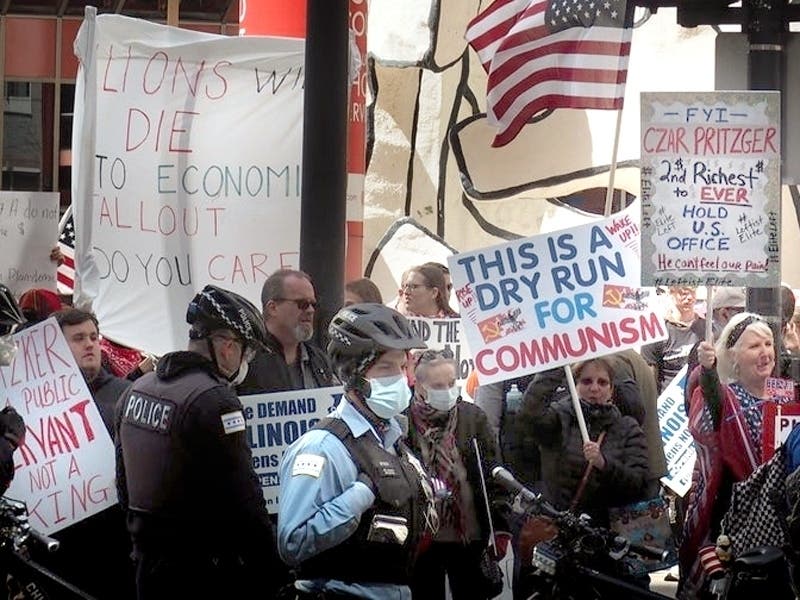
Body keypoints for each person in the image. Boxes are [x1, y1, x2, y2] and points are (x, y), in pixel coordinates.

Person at [115, 285, 281, 600]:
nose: (247, 362)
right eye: (248, 352)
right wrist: (273, 571)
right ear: (229, 346)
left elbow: (124, 488)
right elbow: (244, 499)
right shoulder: (215, 399)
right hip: (202, 575)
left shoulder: (135, 389)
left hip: (146, 567)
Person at [277, 303, 438, 599]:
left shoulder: (393, 440)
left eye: (403, 367)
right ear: (353, 375)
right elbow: (293, 543)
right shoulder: (322, 447)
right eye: (386, 368)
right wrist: (362, 492)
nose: (401, 379)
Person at [514, 358, 648, 598]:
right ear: (574, 385)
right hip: (559, 535)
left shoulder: (627, 427)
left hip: (604, 542)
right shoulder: (559, 418)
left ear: (611, 390)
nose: (594, 388)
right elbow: (528, 417)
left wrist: (604, 465)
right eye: (586, 381)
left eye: (602, 382)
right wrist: (554, 368)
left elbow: (637, 483)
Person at [680, 312, 787, 598]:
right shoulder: (726, 398)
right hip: (735, 516)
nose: (765, 352)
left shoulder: (785, 396)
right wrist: (708, 369)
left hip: (781, 518)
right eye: (754, 346)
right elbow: (711, 397)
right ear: (733, 355)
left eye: (768, 344)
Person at [406, 348, 504, 600]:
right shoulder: (402, 421)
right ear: (418, 385)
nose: (448, 391)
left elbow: (493, 472)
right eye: (438, 386)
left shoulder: (472, 417)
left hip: (468, 534)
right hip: (423, 537)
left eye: (451, 383)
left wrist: (500, 527)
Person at [237, 269, 335, 394]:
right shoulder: (247, 357)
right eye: (302, 304)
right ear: (273, 308)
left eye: (313, 304)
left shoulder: (319, 361)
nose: (311, 311)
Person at [54, 308, 131, 433]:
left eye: (94, 337)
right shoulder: (44, 404)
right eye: (79, 338)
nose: (90, 344)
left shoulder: (126, 394)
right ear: (58, 347)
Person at [641, 285, 703, 394]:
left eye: (692, 292)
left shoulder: (707, 329)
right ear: (671, 293)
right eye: (683, 293)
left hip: (698, 399)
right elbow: (649, 378)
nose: (689, 297)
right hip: (669, 404)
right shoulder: (657, 332)